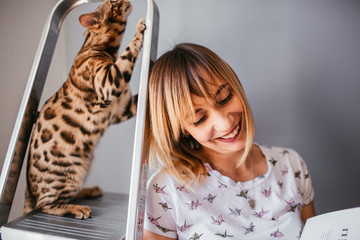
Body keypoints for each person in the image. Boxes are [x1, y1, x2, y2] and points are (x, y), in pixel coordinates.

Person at [143, 43, 315, 240]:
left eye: (225, 98)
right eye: (199, 119)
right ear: (182, 130)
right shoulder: (165, 190)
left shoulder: (290, 163)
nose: (225, 123)